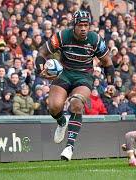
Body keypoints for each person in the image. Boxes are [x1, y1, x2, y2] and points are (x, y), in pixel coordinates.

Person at [38, 10, 114, 160]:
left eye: (86, 25)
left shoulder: (95, 39)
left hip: (84, 76)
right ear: (74, 25)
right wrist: (40, 69)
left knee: (76, 103)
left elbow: (108, 63)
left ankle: (69, 146)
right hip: (64, 73)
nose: (84, 28)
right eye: (81, 25)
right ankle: (61, 121)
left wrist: (111, 84)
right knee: (53, 106)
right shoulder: (62, 36)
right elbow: (42, 52)